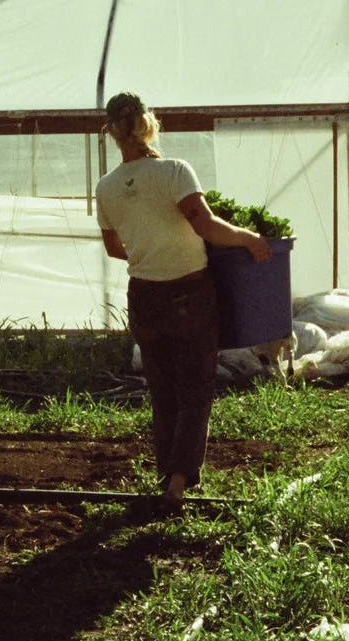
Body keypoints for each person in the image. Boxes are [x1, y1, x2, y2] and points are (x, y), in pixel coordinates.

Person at [95, 91, 272, 513]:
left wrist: (148, 247)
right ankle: (177, 484)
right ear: (148, 124)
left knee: (163, 390)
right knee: (195, 389)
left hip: (143, 296)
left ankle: (167, 474)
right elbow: (205, 224)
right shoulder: (174, 171)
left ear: (113, 134)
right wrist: (249, 238)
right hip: (189, 294)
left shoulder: (106, 188)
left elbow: (114, 248)